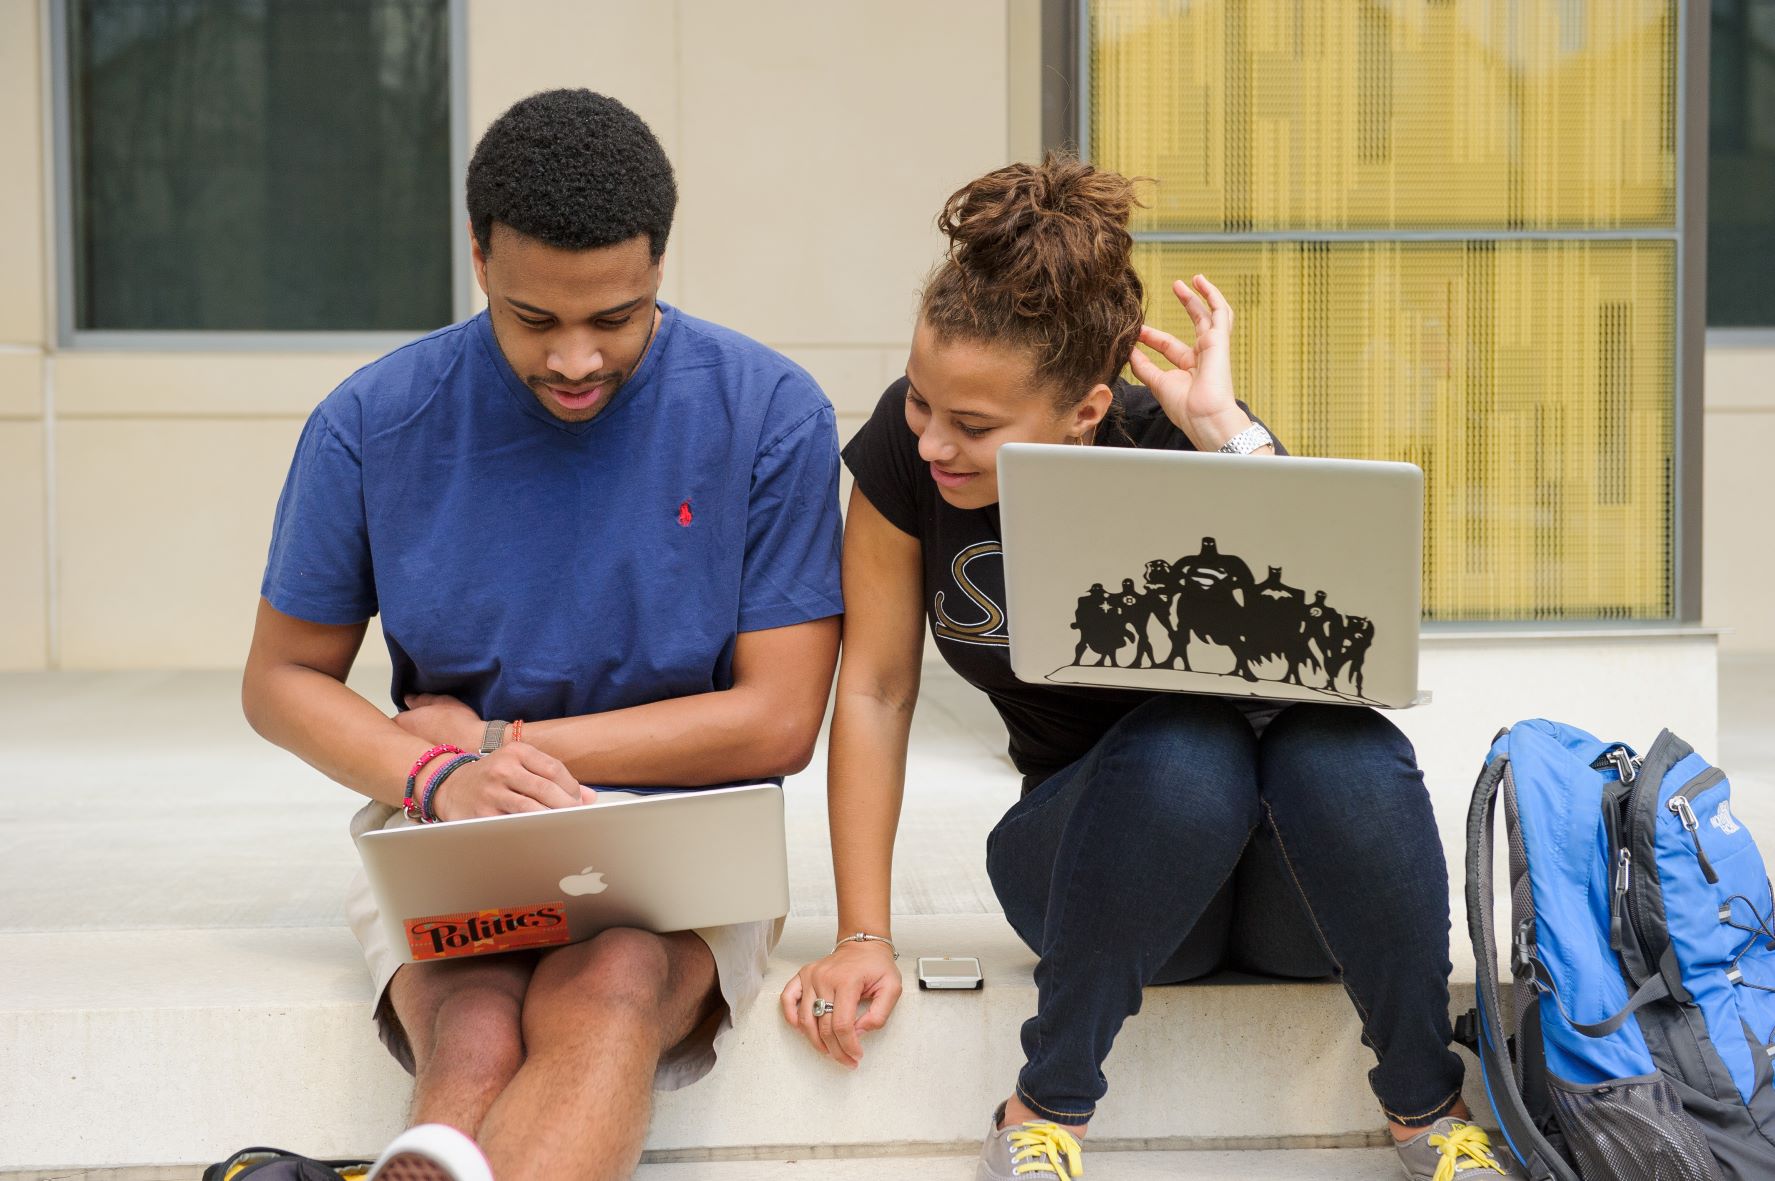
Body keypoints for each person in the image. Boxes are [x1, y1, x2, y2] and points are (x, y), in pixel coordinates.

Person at [779, 156, 1520, 1181]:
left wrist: (1226, 434)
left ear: (1085, 410)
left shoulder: (1180, 439)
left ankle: (1421, 1103)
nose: (934, 440)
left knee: (1336, 738)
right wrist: (863, 930)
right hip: (1090, 866)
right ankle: (1042, 1111)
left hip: (1286, 883)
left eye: (975, 426)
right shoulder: (906, 460)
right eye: (920, 403)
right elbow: (873, 686)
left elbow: (1336, 650)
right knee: (1183, 746)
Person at [242, 89, 843, 1181]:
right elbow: (281, 677)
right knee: (470, 1020)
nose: (574, 359)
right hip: (448, 816)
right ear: (477, 256)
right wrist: (434, 772)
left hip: (681, 826)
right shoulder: (372, 422)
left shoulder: (769, 412)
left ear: (660, 262)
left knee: (613, 978)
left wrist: (497, 746)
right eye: (535, 319)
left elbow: (780, 718)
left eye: (613, 318)